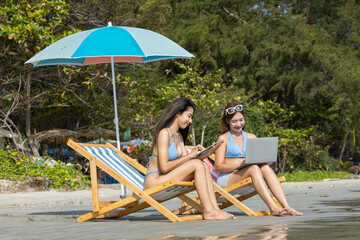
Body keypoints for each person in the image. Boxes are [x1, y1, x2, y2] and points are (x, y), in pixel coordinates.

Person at [143, 98, 235, 220]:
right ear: (177, 113)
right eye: (189, 116)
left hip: (166, 177)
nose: (190, 121)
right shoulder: (164, 133)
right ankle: (208, 211)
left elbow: (187, 162)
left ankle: (214, 209)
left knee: (203, 164)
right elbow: (164, 167)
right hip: (154, 181)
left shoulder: (179, 135)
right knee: (197, 164)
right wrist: (190, 155)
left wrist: (208, 152)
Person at [214, 103, 303, 216]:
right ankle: (273, 208)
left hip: (250, 178)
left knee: (265, 167)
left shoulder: (251, 137)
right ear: (227, 121)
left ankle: (287, 207)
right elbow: (218, 166)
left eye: (241, 120)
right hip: (227, 179)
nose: (238, 124)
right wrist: (238, 166)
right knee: (254, 168)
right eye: (234, 121)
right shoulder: (223, 139)